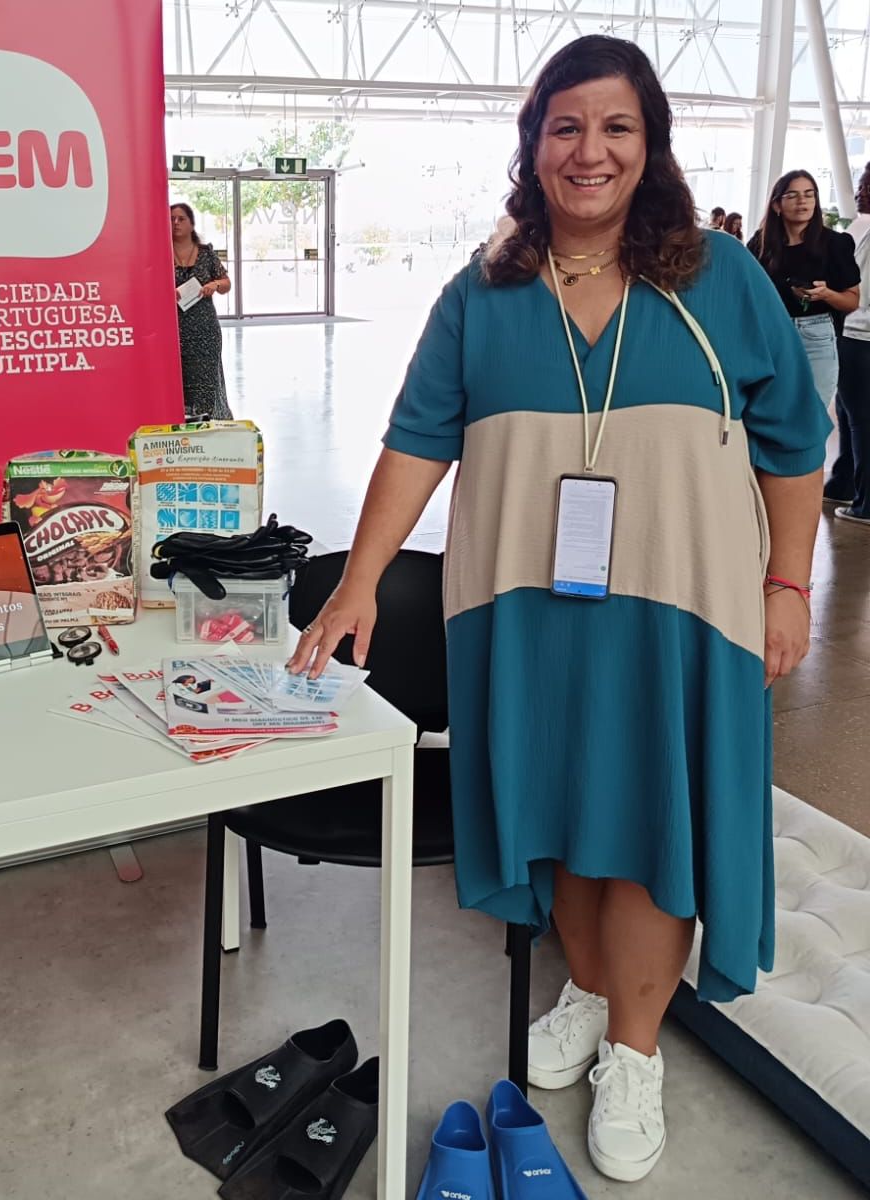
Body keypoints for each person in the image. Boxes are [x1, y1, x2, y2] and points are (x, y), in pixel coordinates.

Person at [289, 34, 828, 1184]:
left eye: (617, 127)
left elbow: (793, 445)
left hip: (681, 612)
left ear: (652, 145)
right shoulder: (483, 293)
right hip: (526, 610)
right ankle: (589, 986)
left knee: (650, 824)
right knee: (565, 818)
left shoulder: (718, 280)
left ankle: (636, 1048)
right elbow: (416, 440)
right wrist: (357, 580)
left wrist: (787, 584)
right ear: (533, 145)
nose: (591, 151)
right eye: (566, 126)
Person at [746, 171, 860, 441]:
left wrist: (825, 295)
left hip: (817, 334)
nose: (803, 201)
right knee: (770, 418)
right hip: (771, 335)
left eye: (809, 194)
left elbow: (852, 301)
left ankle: (807, 469)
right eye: (793, 195)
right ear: (777, 204)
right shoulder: (761, 244)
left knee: (810, 422)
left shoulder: (835, 243)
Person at [171, 203, 233, 420]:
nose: (175, 223)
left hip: (205, 329)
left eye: (181, 219)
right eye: (171, 219)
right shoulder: (160, 253)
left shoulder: (206, 253)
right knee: (179, 382)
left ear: (191, 223)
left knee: (207, 381)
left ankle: (209, 424)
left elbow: (226, 283)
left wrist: (214, 285)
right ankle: (184, 424)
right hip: (174, 330)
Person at [833, 162, 870, 525]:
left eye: (864, 185)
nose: (859, 191)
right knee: (848, 412)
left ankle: (865, 502)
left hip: (856, 333)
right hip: (858, 334)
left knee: (859, 419)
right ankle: (843, 482)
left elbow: (858, 292)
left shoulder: (863, 232)